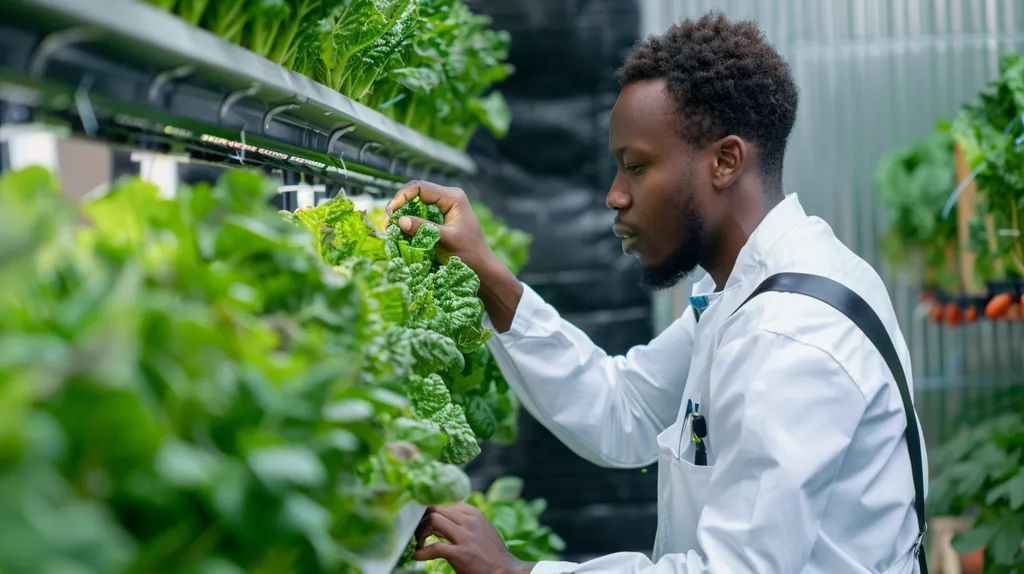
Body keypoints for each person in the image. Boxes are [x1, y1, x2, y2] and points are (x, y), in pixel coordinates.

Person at [387, 10, 928, 574]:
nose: (615, 196)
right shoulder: (743, 293)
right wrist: (484, 274)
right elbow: (622, 407)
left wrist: (517, 573)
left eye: (636, 167)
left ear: (725, 161)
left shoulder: (790, 336)